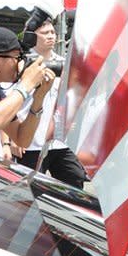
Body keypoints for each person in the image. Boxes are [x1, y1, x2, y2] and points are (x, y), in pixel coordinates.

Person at [14, 18, 86, 190]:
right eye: (45, 33)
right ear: (32, 36)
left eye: (53, 32)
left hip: (59, 140)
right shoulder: (22, 63)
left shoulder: (64, 63)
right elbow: (10, 101)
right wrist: (11, 139)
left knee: (75, 182)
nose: (51, 36)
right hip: (29, 141)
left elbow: (72, 97)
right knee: (28, 190)